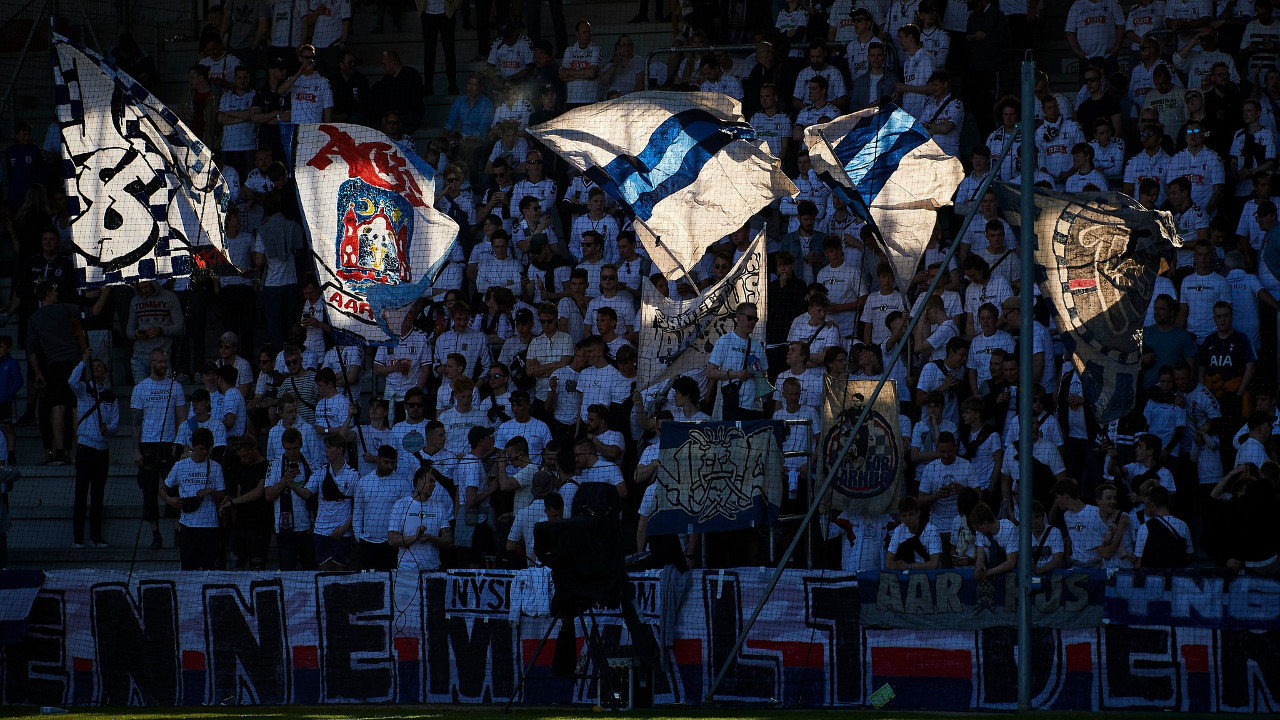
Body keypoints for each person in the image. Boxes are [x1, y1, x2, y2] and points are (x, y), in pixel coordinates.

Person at [131, 349, 188, 550]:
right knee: (149, 490)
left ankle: (177, 531)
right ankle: (156, 534)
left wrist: (179, 444)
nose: (163, 365)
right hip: (148, 445)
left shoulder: (176, 387)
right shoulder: (140, 389)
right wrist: (136, 450)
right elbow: (136, 423)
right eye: (160, 361)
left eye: (165, 361)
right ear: (150, 363)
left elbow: (182, 418)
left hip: (169, 445)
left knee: (173, 487)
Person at [70, 349, 118, 549]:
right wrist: (83, 361)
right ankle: (78, 538)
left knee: (98, 495)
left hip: (102, 450)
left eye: (100, 367)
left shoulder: (111, 397)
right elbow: (71, 381)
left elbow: (115, 423)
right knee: (81, 494)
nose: (96, 369)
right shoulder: (83, 390)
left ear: (105, 374)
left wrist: (108, 429)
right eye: (94, 366)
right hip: (85, 448)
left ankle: (96, 537)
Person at [159, 428, 226, 570]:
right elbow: (162, 489)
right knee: (188, 571)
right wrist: (170, 500)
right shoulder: (180, 466)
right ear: (193, 447)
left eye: (208, 449)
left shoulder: (216, 467)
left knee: (211, 571)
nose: (205, 452)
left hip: (210, 527)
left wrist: (211, 491)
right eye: (202, 449)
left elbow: (222, 496)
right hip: (187, 526)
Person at [264, 428, 317, 570]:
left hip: (307, 528)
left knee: (310, 570)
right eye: (288, 449)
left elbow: (316, 497)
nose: (292, 452)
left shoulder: (310, 466)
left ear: (301, 445)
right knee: (287, 571)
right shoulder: (274, 465)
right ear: (283, 446)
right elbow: (268, 495)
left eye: (295, 448)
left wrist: (316, 522)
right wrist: (284, 481)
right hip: (284, 527)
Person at [353, 445, 412, 570]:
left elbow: (407, 514)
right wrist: (359, 537)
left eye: (392, 463)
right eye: (387, 462)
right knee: (367, 580)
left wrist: (398, 539)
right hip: (367, 543)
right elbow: (358, 511)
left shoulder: (402, 484)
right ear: (378, 460)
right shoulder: (364, 482)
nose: (390, 466)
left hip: (390, 544)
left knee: (389, 579)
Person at [706, 302, 768, 421]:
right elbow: (710, 372)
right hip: (733, 405)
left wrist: (758, 374)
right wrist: (737, 374)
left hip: (755, 407)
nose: (753, 322)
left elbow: (765, 373)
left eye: (755, 319)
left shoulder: (757, 345)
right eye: (750, 318)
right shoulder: (724, 341)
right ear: (739, 317)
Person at [306, 432, 358, 570]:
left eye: (329, 447)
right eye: (325, 447)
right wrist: (291, 485)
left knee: (340, 572)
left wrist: (344, 528)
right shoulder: (319, 472)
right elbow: (306, 493)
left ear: (340, 449)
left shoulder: (353, 475)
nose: (325, 451)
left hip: (342, 532)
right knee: (324, 572)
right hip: (321, 531)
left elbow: (359, 508)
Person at [389, 465, 455, 571]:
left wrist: (431, 538)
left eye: (435, 482)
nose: (434, 485)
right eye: (431, 481)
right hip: (406, 570)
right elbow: (392, 540)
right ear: (419, 482)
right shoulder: (400, 505)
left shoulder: (439, 506)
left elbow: (448, 541)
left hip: (432, 569)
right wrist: (415, 537)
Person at [1133, 487, 1193, 568]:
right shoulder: (1182, 525)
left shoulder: (1144, 528)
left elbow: (1138, 563)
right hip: (1176, 574)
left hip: (1152, 575)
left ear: (1151, 504)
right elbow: (1188, 557)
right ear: (1168, 502)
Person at [885, 496, 943, 570]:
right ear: (900, 517)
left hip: (928, 574)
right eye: (904, 515)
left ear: (918, 512)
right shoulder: (898, 531)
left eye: (910, 514)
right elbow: (888, 563)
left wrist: (908, 566)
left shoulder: (931, 530)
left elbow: (934, 564)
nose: (908, 518)